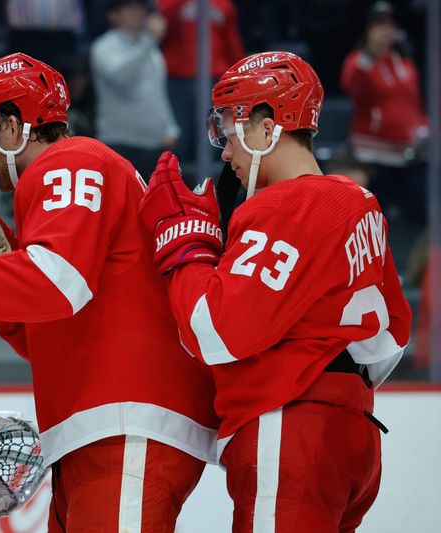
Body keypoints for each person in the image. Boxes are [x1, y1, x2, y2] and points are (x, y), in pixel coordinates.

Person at [0, 52, 219, 532]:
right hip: (102, 426)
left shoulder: (70, 161)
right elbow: (51, 330)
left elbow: (58, 285)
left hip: (125, 422)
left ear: (13, 125)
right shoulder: (72, 177)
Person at [138, 51, 412, 532]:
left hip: (292, 428)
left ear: (268, 128)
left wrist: (187, 246)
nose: (224, 152)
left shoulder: (287, 205)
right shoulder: (360, 202)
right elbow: (392, 339)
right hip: (355, 434)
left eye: (229, 132)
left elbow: (213, 332)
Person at [341, 0, 427, 225]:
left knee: (414, 218)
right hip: (375, 155)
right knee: (375, 218)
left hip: (408, 153)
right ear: (369, 30)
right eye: (379, 26)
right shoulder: (359, 62)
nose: (385, 31)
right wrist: (370, 55)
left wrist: (423, 128)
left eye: (389, 26)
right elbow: (353, 88)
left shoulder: (404, 62)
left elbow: (414, 102)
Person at [90, 0, 179, 181]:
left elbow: (157, 93)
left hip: (154, 144)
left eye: (140, 7)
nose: (139, 12)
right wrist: (149, 40)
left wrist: (170, 127)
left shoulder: (152, 51)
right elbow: (123, 78)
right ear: (113, 15)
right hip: (118, 143)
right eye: (131, 8)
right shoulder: (103, 47)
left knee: (156, 206)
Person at [157, 0, 244, 163]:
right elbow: (161, 22)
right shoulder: (170, 3)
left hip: (213, 77)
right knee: (179, 136)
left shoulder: (223, 5)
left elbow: (231, 41)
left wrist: (238, 73)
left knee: (213, 136)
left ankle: (212, 182)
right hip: (177, 78)